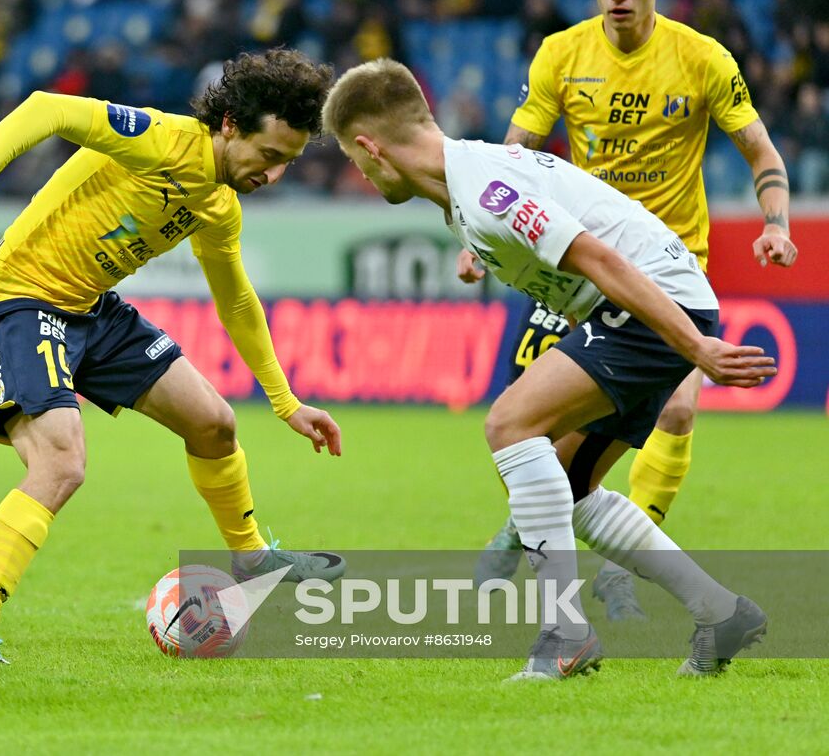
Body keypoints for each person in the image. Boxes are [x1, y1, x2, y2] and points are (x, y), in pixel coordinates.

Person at [325, 57, 775, 680]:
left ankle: (565, 633)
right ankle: (720, 611)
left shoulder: (485, 193)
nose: (361, 173)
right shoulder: (467, 190)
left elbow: (601, 259)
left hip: (646, 305)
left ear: (371, 147)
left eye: (353, 158)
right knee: (570, 486)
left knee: (509, 424)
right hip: (652, 306)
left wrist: (695, 350)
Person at [0, 50, 346, 666]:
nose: (274, 175)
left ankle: (254, 558)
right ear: (230, 124)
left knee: (215, 423)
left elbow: (235, 298)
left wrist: (284, 402)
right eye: (270, 155)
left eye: (288, 161)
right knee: (62, 462)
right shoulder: (159, 140)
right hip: (20, 301)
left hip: (93, 311)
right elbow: (46, 110)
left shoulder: (218, 205)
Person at [461, 0, 798, 618]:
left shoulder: (702, 58)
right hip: (580, 261)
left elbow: (760, 149)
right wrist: (475, 229)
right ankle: (533, 526)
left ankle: (617, 565)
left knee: (676, 407)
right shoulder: (561, 53)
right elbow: (515, 150)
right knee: (529, 427)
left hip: (672, 266)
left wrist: (776, 221)